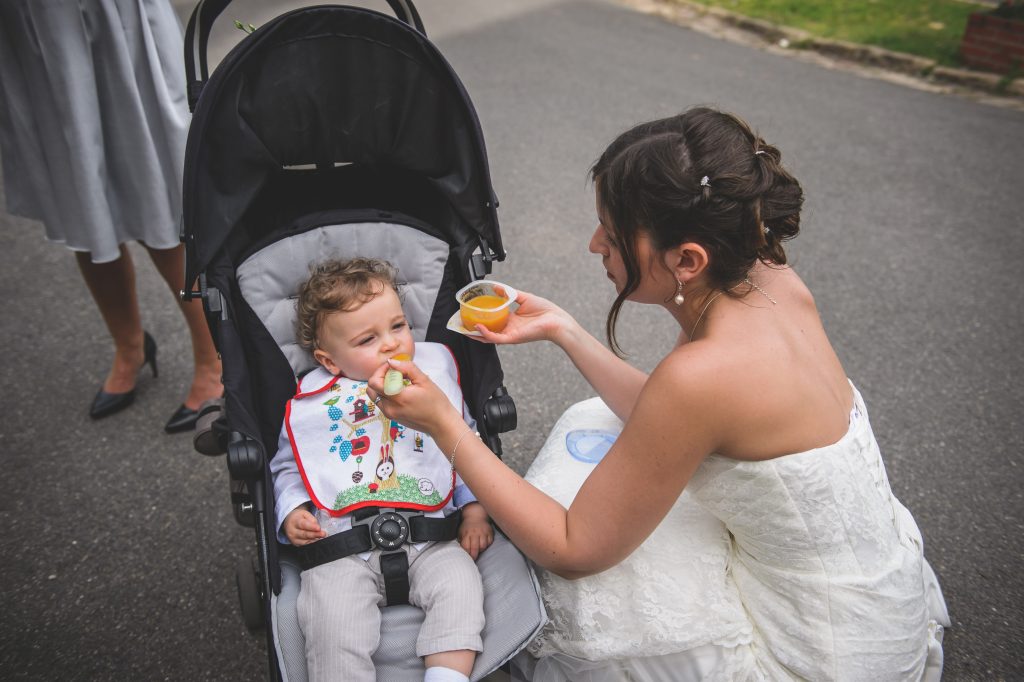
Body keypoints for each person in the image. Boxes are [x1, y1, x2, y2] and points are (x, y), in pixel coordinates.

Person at [367, 107, 950, 681]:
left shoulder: (702, 376)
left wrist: (447, 426)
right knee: (597, 426)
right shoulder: (768, 276)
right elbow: (675, 414)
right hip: (873, 589)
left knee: (577, 590)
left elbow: (572, 547)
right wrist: (563, 329)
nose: (596, 244)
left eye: (613, 235)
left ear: (687, 260)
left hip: (818, 651)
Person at [0, 0, 221, 432]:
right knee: (79, 201)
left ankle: (213, 360)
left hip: (111, 18)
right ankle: (130, 346)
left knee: (155, 194)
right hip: (31, 25)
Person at [271, 258, 493, 682]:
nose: (392, 344)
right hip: (342, 546)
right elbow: (290, 464)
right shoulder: (314, 403)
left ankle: (446, 677)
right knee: (328, 616)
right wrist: (293, 509)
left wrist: (475, 509)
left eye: (398, 326)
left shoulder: (431, 377)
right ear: (330, 361)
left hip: (433, 537)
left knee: (462, 588)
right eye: (368, 338)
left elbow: (464, 444)